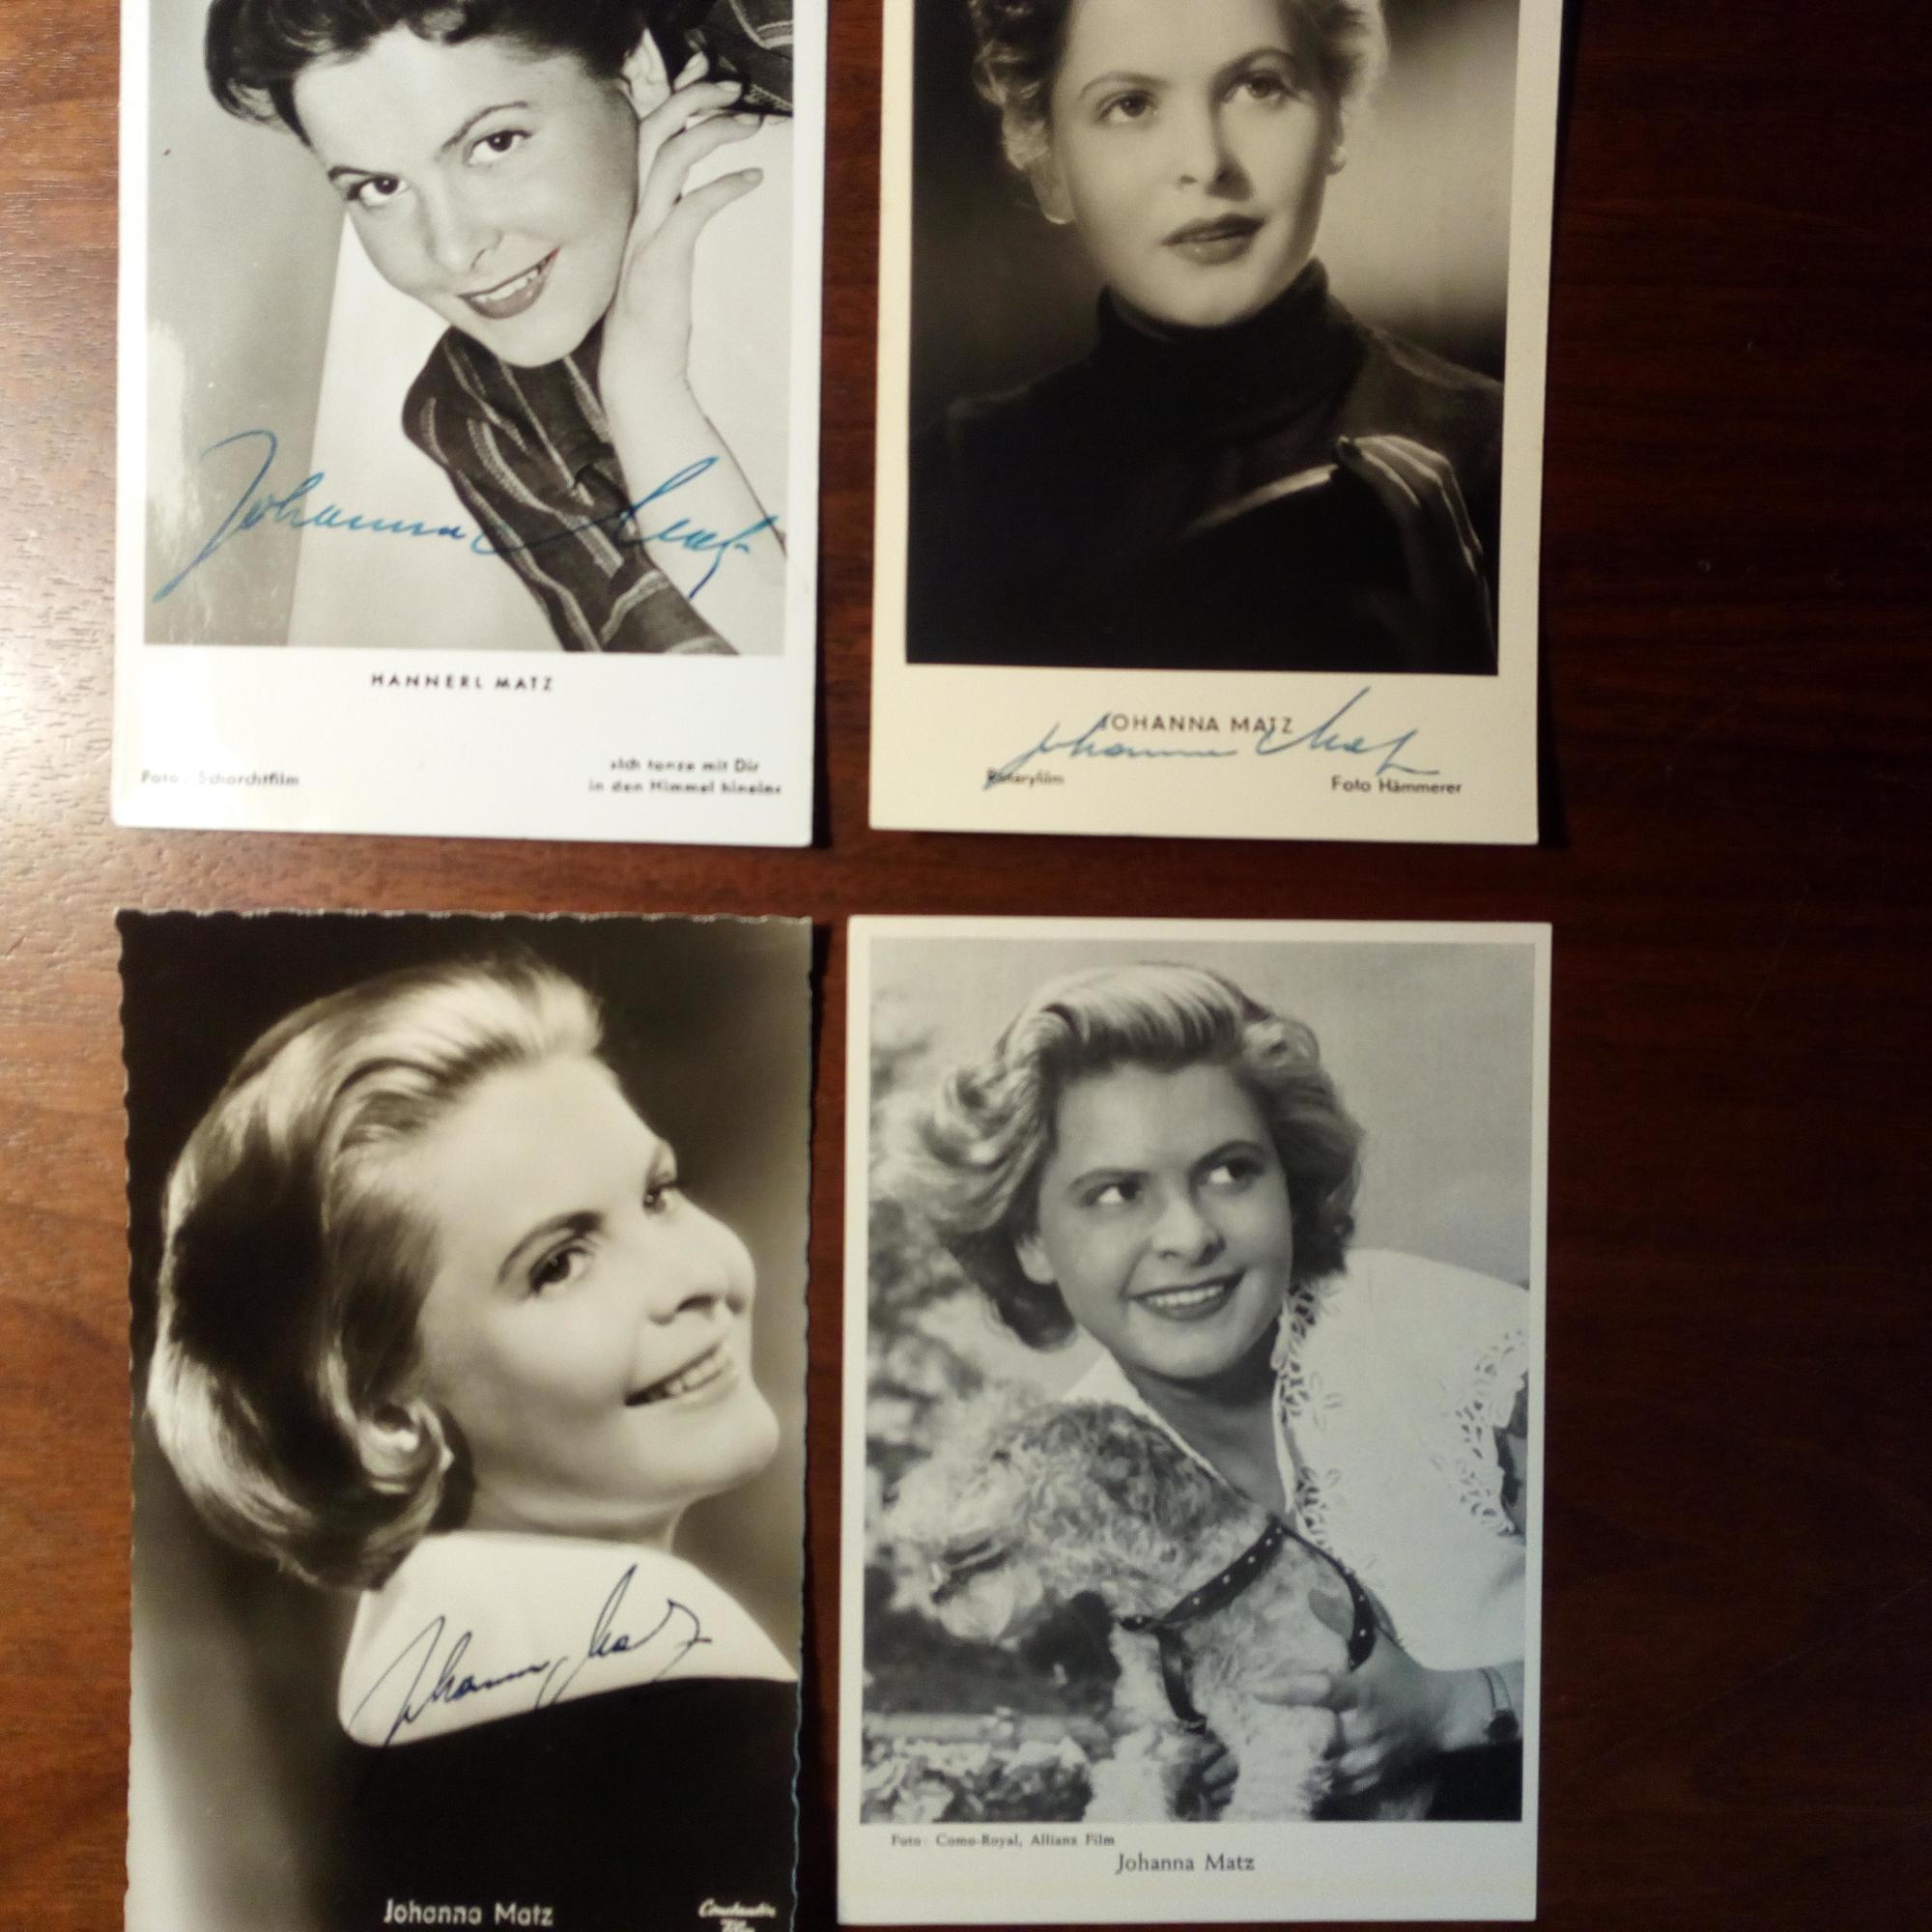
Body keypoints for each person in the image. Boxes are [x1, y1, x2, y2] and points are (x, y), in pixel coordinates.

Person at [144, 953, 799, 1926]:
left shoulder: (410, 1711)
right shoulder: (695, 1707)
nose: (692, 1280)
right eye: (559, 1264)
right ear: (386, 1415)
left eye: (658, 1193)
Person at [905, 961, 1528, 1818]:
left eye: (1231, 1171)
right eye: (1116, 1192)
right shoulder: (1064, 1483)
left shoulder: (1456, 1345)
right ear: (1031, 1241)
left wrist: (1459, 1706)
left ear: (1288, 1184)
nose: (1190, 1235)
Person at [908, 0, 1502, 673]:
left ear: (1336, 117)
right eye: (1130, 105)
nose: (1206, 162)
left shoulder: (1493, 450)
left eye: (1259, 86)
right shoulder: (950, 481)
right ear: (1046, 162)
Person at [203, 0, 794, 654]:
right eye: (380, 187)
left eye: (495, 143)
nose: (455, 251)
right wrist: (646, 396)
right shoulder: (479, 412)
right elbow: (722, 692)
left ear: (637, 70)